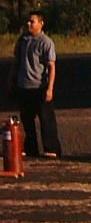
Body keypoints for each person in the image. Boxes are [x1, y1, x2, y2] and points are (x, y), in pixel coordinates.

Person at [7, 12, 63, 158]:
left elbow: (51, 66)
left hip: (39, 86)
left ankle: (52, 148)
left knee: (46, 120)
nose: (29, 24)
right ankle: (31, 148)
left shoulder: (46, 42)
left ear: (41, 23)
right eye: (28, 21)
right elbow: (16, 61)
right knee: (27, 120)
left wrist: (50, 88)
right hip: (23, 86)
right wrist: (12, 79)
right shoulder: (23, 40)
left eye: (32, 22)